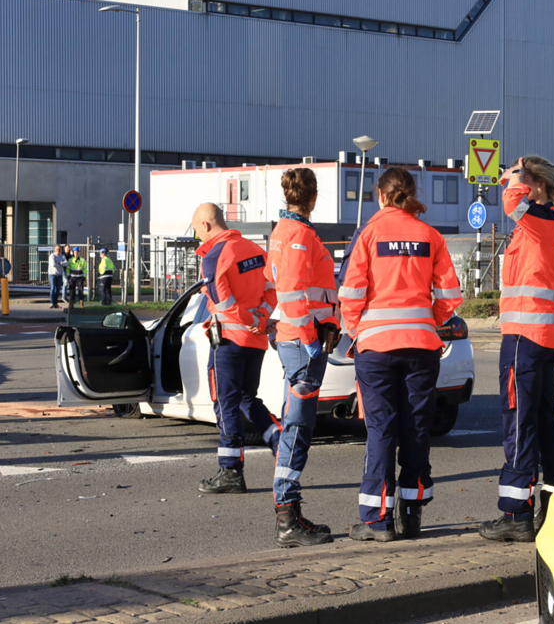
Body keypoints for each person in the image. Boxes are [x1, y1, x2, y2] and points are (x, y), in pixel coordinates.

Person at [338, 167, 462, 542]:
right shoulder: (430, 236)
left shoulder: (369, 233)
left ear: (379, 194)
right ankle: (412, 515)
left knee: (381, 430)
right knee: (416, 430)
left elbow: (351, 292)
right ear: (411, 194)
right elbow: (450, 297)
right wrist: (430, 320)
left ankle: (377, 521)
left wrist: (355, 330)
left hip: (375, 347)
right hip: (421, 347)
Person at [479, 155, 554, 543]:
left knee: (519, 421)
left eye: (523, 179)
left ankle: (516, 514)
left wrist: (514, 175)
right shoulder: (541, 222)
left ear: (537, 185)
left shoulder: (541, 218)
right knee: (543, 423)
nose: (513, 183)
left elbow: (512, 202)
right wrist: (516, 177)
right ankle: (553, 506)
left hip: (525, 337)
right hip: (538, 336)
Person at [265, 168, 338, 547]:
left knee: (295, 425)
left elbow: (271, 283)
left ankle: (288, 513)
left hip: (294, 338)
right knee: (298, 429)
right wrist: (311, 338)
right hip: (303, 342)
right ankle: (287, 518)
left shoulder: (281, 231)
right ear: (312, 199)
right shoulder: (300, 235)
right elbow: (293, 292)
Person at [193, 203, 281, 501]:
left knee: (226, 402)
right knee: (246, 398)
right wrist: (262, 317)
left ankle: (231, 470)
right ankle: (279, 439)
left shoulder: (214, 255)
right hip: (254, 341)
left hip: (229, 340)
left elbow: (223, 300)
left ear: (206, 225)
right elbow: (272, 289)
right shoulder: (254, 249)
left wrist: (251, 320)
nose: (197, 238)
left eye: (196, 231)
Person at [47, 244, 67, 309]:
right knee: (53, 288)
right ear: (54, 250)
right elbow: (53, 264)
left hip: (59, 275)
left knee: (58, 289)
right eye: (57, 249)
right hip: (52, 274)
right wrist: (61, 264)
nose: (58, 250)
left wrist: (60, 263)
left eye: (59, 249)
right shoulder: (52, 256)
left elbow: (66, 263)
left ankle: (56, 303)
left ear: (60, 250)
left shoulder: (63, 256)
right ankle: (51, 303)